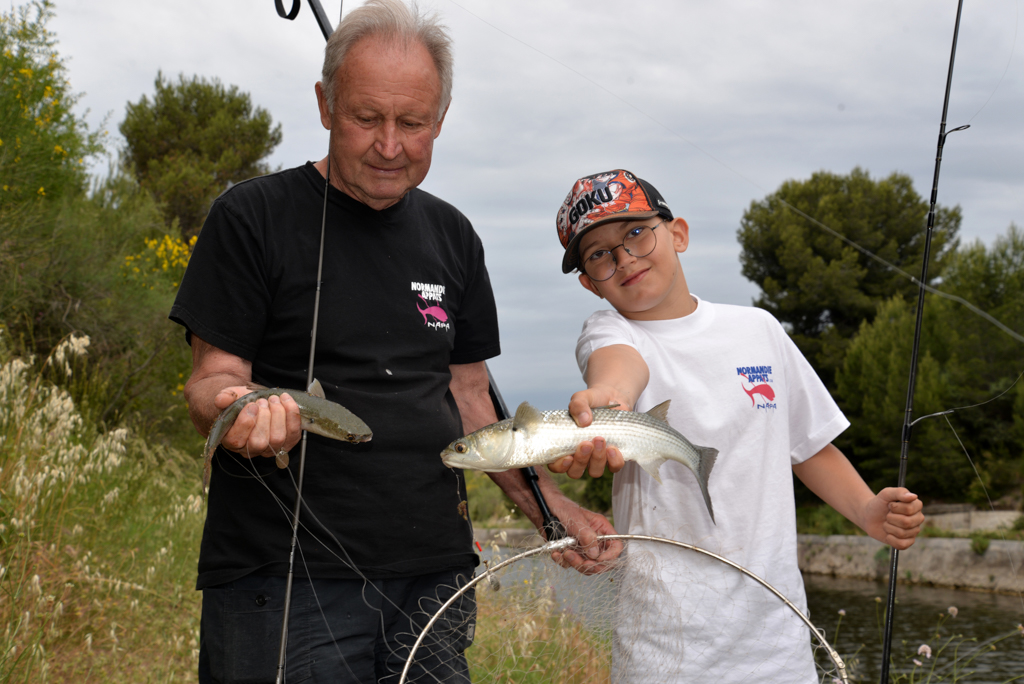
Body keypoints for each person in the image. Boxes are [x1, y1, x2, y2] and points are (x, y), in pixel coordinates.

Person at [171, 3, 615, 682]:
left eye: (413, 123)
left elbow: (469, 398)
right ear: (325, 104)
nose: (390, 145)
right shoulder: (251, 216)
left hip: (435, 581)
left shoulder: (454, 236)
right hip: (287, 581)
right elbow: (211, 379)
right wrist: (239, 408)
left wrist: (548, 508)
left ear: (439, 119)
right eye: (366, 118)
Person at [546, 169, 925, 682]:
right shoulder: (609, 330)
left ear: (677, 233)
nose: (624, 257)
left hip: (777, 642)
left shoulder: (760, 329)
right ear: (590, 283)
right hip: (662, 647)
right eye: (599, 254)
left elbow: (807, 446)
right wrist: (608, 401)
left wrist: (867, 510)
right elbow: (617, 372)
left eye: (636, 232)